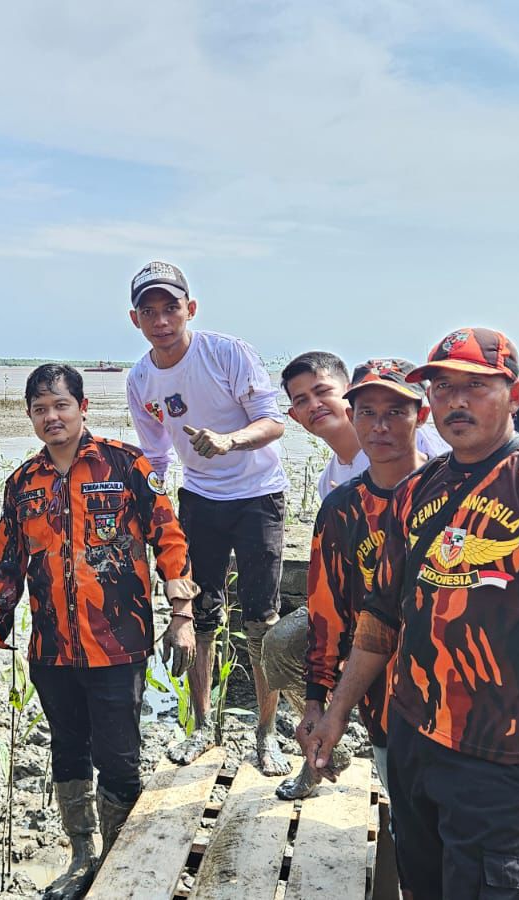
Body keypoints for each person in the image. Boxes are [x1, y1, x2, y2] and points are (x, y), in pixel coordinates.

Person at [299, 327, 519, 899]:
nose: (456, 401)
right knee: (422, 884)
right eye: (443, 387)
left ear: (516, 393)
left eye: (475, 387)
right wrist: (334, 711)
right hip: (413, 732)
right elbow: (379, 621)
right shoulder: (418, 490)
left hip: (502, 747)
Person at [0, 364, 196, 900]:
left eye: (60, 406)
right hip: (52, 651)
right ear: (29, 416)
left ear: (82, 407)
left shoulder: (126, 464)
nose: (51, 417)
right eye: (40, 409)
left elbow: (169, 537)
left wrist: (182, 615)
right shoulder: (23, 483)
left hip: (118, 642)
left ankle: (119, 863)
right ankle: (82, 856)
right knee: (68, 751)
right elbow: (6, 563)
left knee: (118, 757)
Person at [123, 260, 290, 774]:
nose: (162, 320)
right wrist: (146, 512)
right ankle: (200, 726)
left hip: (259, 494)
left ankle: (265, 734)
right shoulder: (141, 380)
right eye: (149, 311)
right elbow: (154, 458)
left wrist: (229, 441)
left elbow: (273, 421)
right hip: (199, 498)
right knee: (202, 614)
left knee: (261, 617)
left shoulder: (226, 353)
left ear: (189, 309)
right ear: (135, 320)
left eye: (170, 307)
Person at [281, 358, 433, 803]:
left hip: (452, 691)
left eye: (395, 413)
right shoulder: (341, 507)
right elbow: (326, 612)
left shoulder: (450, 494)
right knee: (404, 806)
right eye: (367, 412)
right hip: (380, 690)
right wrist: (317, 702)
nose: (380, 427)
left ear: (421, 415)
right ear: (353, 416)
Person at [279, 350, 448, 499]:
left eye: (322, 392)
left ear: (349, 392)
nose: (314, 405)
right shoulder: (328, 483)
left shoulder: (412, 437)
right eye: (302, 401)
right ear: (295, 416)